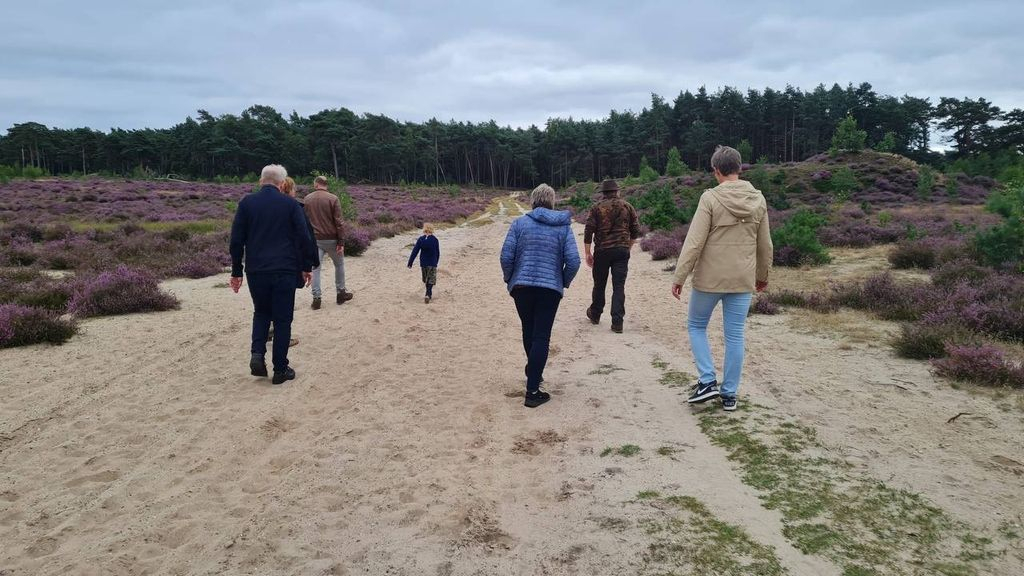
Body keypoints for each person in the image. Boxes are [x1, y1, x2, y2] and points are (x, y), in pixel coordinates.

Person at [671, 146, 773, 411]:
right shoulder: (758, 199)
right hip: (742, 279)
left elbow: (694, 242)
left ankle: (707, 381)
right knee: (735, 336)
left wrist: (680, 276)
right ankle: (729, 394)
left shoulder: (710, 199)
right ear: (739, 168)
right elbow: (765, 245)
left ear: (716, 170)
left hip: (710, 279)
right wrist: (762, 275)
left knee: (696, 326)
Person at [229, 164, 317, 385]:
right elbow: (304, 237)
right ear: (281, 183)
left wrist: (236, 271)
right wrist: (306, 266)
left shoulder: (247, 203)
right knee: (283, 319)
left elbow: (236, 240)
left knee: (261, 313)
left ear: (261, 181)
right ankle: (280, 369)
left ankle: (257, 354)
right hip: (285, 269)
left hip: (256, 270)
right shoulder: (290, 204)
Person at [500, 184, 581, 408]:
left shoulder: (519, 224)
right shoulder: (563, 227)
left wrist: (510, 278)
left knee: (529, 329)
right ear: (552, 201)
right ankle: (533, 390)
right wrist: (562, 281)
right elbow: (574, 261)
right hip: (549, 290)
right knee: (541, 336)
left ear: (533, 201)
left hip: (522, 288)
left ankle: (533, 373)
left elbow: (506, 256)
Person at [267, 177, 320, 347]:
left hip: (263, 262)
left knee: (268, 299)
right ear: (289, 189)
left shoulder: (263, 207)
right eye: (294, 189)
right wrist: (309, 263)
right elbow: (306, 237)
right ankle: (281, 335)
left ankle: (267, 329)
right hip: (288, 262)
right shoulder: (294, 208)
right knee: (284, 302)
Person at [584, 179, 641, 333]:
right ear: (617, 191)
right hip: (621, 251)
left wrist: (587, 252)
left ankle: (595, 314)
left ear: (603, 193)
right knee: (618, 286)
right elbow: (636, 230)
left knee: (599, 284)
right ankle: (617, 322)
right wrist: (627, 247)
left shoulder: (596, 208)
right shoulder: (627, 206)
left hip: (602, 251)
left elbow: (589, 230)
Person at [303, 175, 353, 310]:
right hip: (332, 239)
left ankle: (316, 298)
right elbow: (339, 222)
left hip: (314, 240)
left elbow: (305, 222)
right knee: (339, 265)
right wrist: (341, 241)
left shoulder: (307, 199)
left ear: (316, 184)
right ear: (326, 185)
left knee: (316, 269)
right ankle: (341, 293)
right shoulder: (333, 199)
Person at [407, 223, 440, 303]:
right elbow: (438, 253)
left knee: (426, 279)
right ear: (432, 230)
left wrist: (410, 262)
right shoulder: (435, 240)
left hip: (423, 263)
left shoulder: (421, 239)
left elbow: (415, 251)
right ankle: (428, 294)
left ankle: (428, 293)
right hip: (432, 262)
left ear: (424, 229)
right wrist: (436, 262)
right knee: (431, 279)